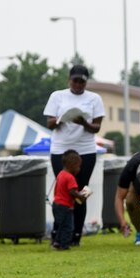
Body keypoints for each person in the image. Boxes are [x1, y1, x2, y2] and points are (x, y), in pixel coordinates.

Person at [43, 64, 104, 246]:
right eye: (75, 80)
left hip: (85, 150)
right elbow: (50, 123)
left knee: (81, 191)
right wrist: (61, 119)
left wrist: (84, 123)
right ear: (69, 80)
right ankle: (60, 233)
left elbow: (97, 127)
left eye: (82, 81)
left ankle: (76, 233)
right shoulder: (57, 96)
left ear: (86, 82)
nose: (78, 84)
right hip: (61, 149)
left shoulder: (94, 98)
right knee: (63, 192)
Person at [51, 149, 86, 251]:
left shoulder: (61, 174)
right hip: (65, 206)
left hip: (57, 204)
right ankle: (64, 245)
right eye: (79, 166)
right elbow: (71, 191)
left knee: (61, 225)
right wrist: (80, 196)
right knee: (68, 227)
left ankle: (57, 242)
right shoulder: (70, 177)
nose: (79, 169)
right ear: (73, 165)